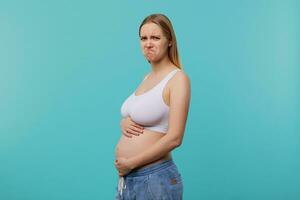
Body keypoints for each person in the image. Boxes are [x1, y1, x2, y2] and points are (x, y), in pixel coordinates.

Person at [114, 13, 191, 200]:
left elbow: (175, 138)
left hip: (154, 179)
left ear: (170, 41)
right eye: (143, 38)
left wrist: (131, 162)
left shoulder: (177, 79)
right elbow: (144, 114)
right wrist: (124, 123)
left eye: (155, 38)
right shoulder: (146, 78)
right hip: (129, 180)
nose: (148, 43)